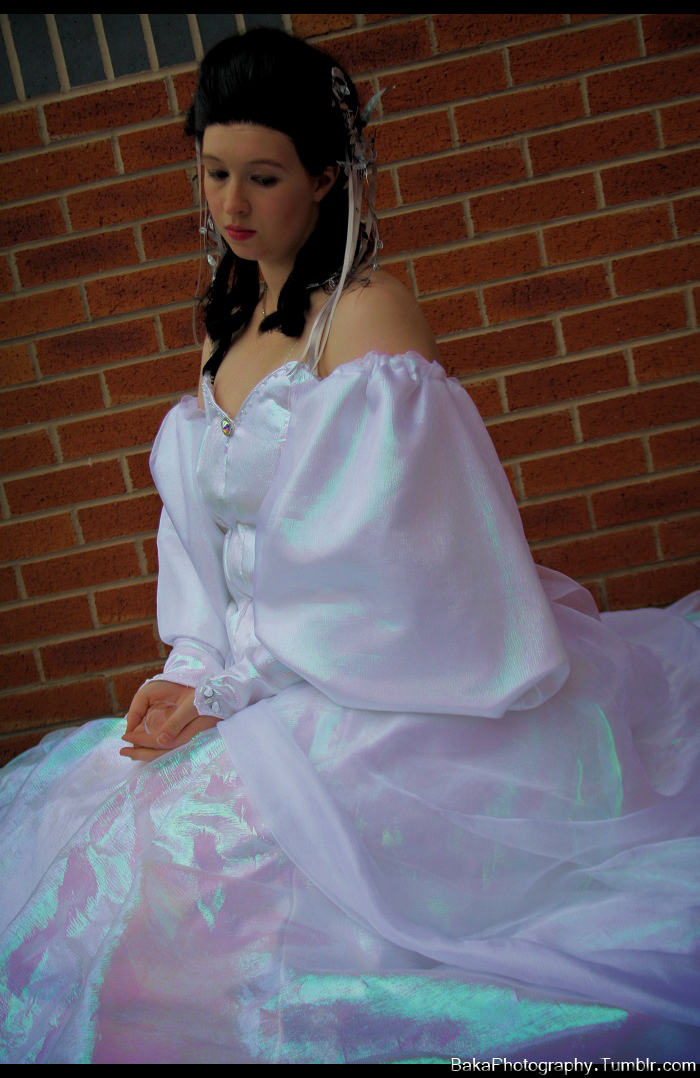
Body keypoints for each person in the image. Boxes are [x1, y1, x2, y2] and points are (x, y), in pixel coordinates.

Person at [1, 28, 698, 1065]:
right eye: (215, 172)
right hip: (255, 678)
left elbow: (386, 565)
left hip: (372, 679)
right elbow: (203, 538)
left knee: (227, 868)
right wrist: (190, 664)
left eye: (264, 176)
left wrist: (231, 687)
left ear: (327, 179)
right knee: (105, 834)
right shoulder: (226, 327)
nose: (233, 204)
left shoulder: (368, 319)